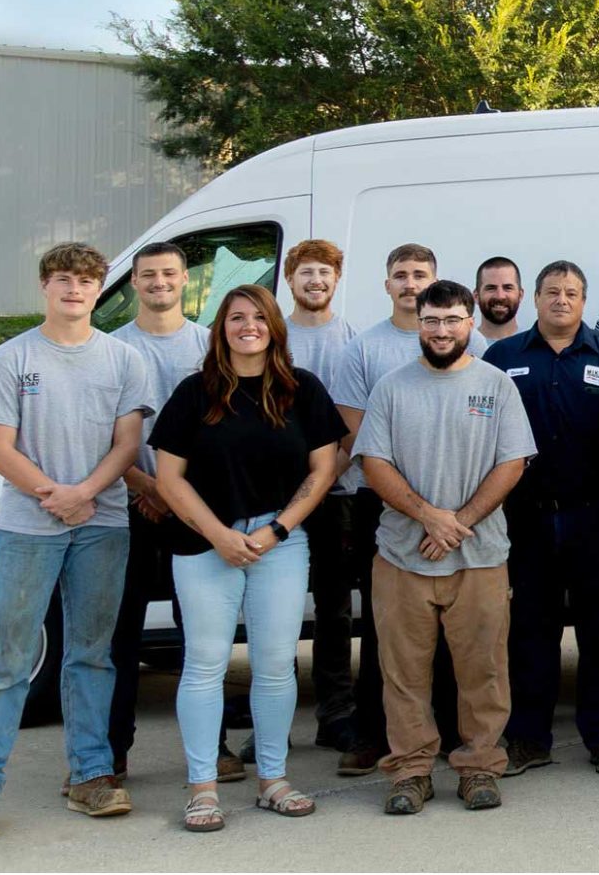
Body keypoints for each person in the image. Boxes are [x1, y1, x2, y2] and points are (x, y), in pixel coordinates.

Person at [0, 242, 156, 842]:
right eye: (64, 279)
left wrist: (86, 492)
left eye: (87, 281)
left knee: (92, 654)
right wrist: (56, 496)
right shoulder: (11, 358)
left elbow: (127, 445)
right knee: (8, 660)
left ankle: (91, 776)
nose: (75, 289)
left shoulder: (122, 360)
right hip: (29, 524)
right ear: (45, 285)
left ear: (100, 290)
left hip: (103, 522)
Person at [149, 284, 345, 830]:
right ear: (221, 329)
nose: (248, 326)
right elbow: (169, 478)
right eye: (236, 317)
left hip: (280, 544)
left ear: (275, 327)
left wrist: (277, 529)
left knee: (277, 665)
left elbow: (323, 470)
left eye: (259, 317)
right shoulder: (194, 393)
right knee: (205, 665)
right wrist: (217, 534)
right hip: (205, 544)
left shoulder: (302, 390)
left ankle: (274, 780)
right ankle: (203, 788)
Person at [354, 280, 536, 815]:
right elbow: (374, 463)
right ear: (418, 322)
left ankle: (480, 766)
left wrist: (460, 521)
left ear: (470, 322)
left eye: (452, 320)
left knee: (483, 669)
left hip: (479, 556)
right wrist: (428, 517)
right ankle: (410, 771)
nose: (441, 330)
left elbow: (513, 462)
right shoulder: (390, 388)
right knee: (404, 671)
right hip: (402, 555)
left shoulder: (497, 385)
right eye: (431, 320)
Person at [332, 245, 485, 778]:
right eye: (400, 275)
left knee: (455, 630)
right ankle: (378, 734)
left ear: (437, 281)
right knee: (388, 629)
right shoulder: (365, 348)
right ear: (387, 284)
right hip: (390, 504)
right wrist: (416, 504)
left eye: (420, 274)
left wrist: (447, 513)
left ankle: (445, 733)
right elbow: (354, 430)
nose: (410, 282)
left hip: (461, 506)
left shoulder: (474, 342)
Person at [494, 261, 599, 777]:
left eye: (571, 292)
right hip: (526, 519)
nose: (561, 300)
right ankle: (529, 738)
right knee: (531, 631)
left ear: (584, 299)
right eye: (551, 291)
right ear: (535, 298)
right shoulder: (504, 356)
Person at [104, 241, 232, 784]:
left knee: (201, 632)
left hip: (192, 507)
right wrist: (142, 484)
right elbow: (100, 432)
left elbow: (222, 430)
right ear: (134, 282)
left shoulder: (209, 346)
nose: (160, 282)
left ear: (186, 281)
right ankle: (110, 753)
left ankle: (217, 748)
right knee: (119, 634)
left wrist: (175, 493)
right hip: (126, 504)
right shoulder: (110, 349)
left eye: (169, 274)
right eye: (148, 274)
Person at [276, 239, 362, 755]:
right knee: (275, 611)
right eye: (306, 272)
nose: (315, 281)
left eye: (325, 273)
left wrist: (324, 479)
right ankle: (274, 721)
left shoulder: (352, 341)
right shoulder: (271, 337)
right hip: (276, 498)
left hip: (336, 493)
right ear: (290, 279)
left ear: (336, 280)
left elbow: (356, 426)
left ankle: (336, 714)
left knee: (333, 609)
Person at [474, 256, 530, 347]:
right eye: (491, 288)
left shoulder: (535, 345)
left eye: (507, 288)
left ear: (520, 295)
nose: (500, 296)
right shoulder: (461, 348)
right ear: (476, 296)